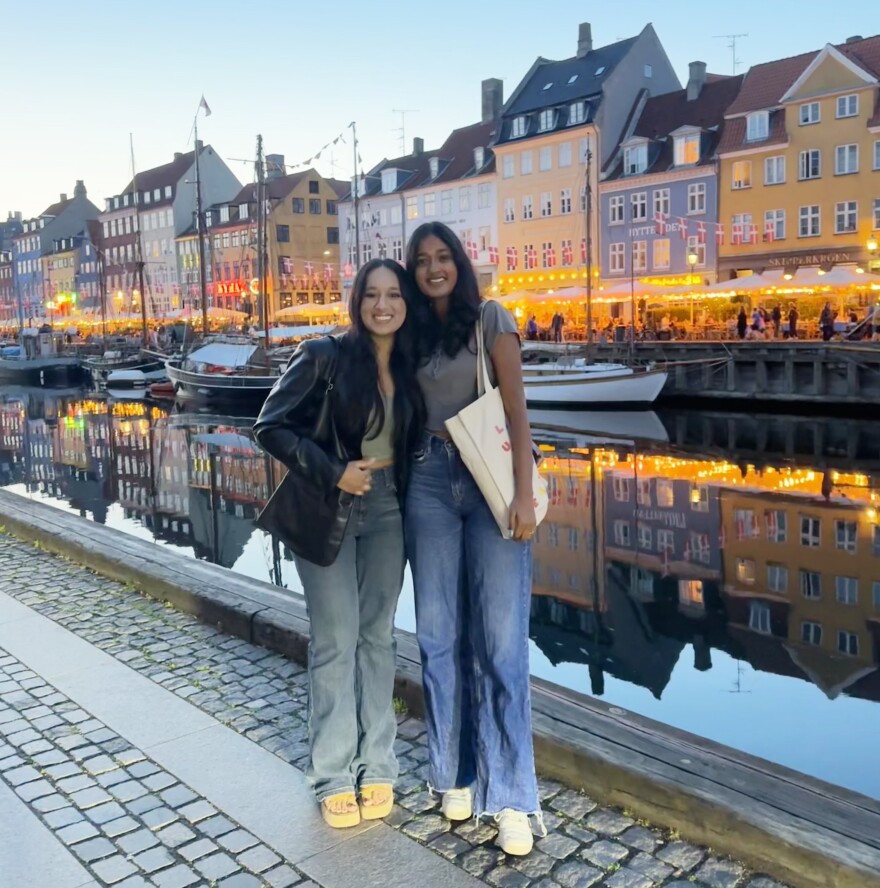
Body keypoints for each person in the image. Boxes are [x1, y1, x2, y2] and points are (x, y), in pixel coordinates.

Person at [253, 259, 423, 829]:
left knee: (377, 639)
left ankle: (377, 765)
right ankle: (331, 773)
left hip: (390, 509)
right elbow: (270, 426)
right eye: (372, 294)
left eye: (393, 295)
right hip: (331, 506)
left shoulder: (411, 360)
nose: (383, 305)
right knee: (335, 640)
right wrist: (334, 471)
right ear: (357, 301)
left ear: (405, 302)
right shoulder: (323, 355)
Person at [404, 221, 542, 857]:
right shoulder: (409, 333)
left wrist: (522, 494)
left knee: (502, 644)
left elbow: (516, 413)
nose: (435, 268)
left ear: (459, 262)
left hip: (489, 477)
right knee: (437, 637)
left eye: (443, 257)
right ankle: (455, 774)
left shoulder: (491, 319)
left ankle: (512, 795)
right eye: (423, 261)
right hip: (428, 481)